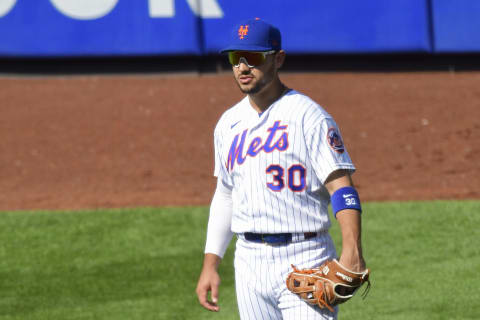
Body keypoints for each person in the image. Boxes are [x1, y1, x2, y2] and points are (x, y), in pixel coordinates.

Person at [196, 18, 367, 320]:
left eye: (254, 57)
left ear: (278, 59)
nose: (243, 67)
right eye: (237, 58)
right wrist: (211, 264)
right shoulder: (227, 124)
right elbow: (225, 195)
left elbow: (342, 187)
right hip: (249, 262)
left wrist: (352, 250)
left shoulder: (309, 117)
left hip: (307, 256)